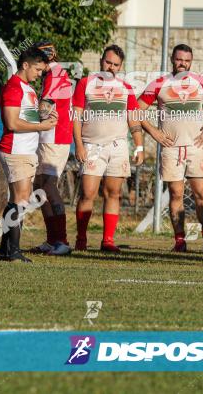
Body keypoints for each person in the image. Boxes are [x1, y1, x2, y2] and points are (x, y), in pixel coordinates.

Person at [137, 43, 203, 254]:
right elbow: (135, 110)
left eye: (186, 60)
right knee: (176, 195)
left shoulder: (201, 82)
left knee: (202, 194)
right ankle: (180, 242)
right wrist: (153, 132)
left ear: (191, 61)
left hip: (196, 147)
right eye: (179, 60)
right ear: (172, 59)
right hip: (171, 148)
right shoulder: (159, 83)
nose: (182, 64)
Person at [73, 45, 144, 252]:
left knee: (113, 193)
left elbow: (134, 119)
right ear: (101, 60)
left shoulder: (126, 88)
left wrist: (139, 146)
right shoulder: (86, 83)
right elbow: (76, 117)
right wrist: (78, 144)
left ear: (120, 67)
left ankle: (108, 241)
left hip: (118, 146)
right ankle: (81, 239)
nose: (110, 67)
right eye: (108, 62)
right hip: (92, 145)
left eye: (115, 65)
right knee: (88, 193)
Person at [0, 48, 58, 262]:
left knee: (18, 199)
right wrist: (42, 126)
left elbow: (27, 117)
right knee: (21, 199)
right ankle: (13, 251)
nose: (40, 74)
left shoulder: (28, 89)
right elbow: (12, 123)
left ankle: (6, 250)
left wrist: (45, 115)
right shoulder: (14, 87)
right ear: (25, 65)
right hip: (16, 149)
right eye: (37, 69)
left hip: (26, 150)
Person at [30, 42, 75, 256]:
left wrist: (20, 115)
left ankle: (62, 241)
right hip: (49, 135)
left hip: (55, 136)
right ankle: (51, 239)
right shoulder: (55, 74)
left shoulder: (55, 75)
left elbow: (44, 109)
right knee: (39, 186)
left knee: (48, 185)